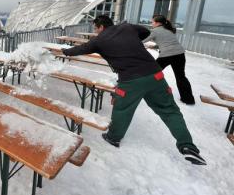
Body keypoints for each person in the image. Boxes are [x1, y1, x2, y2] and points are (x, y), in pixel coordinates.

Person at [61, 15, 206, 165]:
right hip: (155, 75)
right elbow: (144, 32)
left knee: (122, 109)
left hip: (130, 81)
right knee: (169, 110)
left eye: (95, 28)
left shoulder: (98, 40)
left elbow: (79, 49)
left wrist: (64, 52)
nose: (95, 31)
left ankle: (113, 137)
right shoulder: (127, 27)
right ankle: (187, 146)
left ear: (101, 27)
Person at [143, 15, 195, 105]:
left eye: (153, 22)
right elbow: (168, 42)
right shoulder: (169, 30)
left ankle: (144, 91)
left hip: (167, 55)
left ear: (158, 23)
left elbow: (142, 40)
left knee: (152, 72)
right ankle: (188, 99)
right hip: (180, 54)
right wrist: (155, 46)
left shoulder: (154, 31)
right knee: (181, 76)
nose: (152, 24)